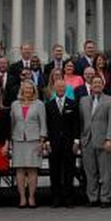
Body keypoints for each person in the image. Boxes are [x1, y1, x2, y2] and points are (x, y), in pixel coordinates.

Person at [78, 75, 111, 207]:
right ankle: (92, 198)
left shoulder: (110, 100)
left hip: (103, 141)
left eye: (99, 83)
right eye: (94, 83)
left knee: (105, 172)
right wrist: (80, 139)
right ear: (91, 84)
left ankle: (106, 198)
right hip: (87, 141)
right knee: (90, 172)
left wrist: (109, 139)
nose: (96, 85)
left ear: (103, 84)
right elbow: (81, 121)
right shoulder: (83, 100)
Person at [10, 79, 47, 208]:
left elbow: (43, 123)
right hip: (18, 139)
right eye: (26, 88)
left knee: (32, 169)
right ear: (22, 90)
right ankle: (22, 198)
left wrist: (42, 139)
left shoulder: (39, 104)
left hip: (34, 140)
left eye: (30, 88)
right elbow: (12, 123)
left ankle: (31, 197)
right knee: (19, 169)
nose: (28, 91)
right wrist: (10, 140)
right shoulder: (15, 104)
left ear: (34, 90)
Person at [45, 76, 81, 207]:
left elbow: (77, 124)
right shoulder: (49, 105)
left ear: (66, 89)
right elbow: (47, 125)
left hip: (69, 143)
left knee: (69, 171)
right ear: (54, 88)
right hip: (53, 144)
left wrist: (77, 141)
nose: (60, 89)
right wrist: (47, 141)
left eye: (62, 87)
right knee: (54, 172)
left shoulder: (73, 103)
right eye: (58, 87)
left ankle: (68, 198)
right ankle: (56, 198)